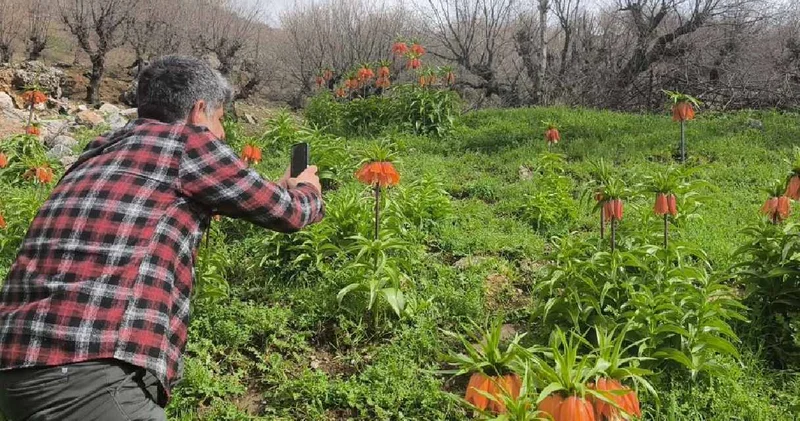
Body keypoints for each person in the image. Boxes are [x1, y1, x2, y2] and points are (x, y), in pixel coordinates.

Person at [0, 56, 324, 420]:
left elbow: (164, 208)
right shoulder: (189, 142)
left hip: (16, 367)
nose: (222, 134)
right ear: (198, 111)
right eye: (220, 119)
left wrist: (272, 188)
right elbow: (290, 213)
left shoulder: (100, 149)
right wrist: (307, 189)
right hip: (90, 370)